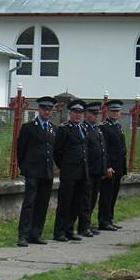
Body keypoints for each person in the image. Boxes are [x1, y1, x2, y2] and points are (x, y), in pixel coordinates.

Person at [15, 96, 57, 247]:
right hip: (32, 171)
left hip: (47, 171)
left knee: (42, 203)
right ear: (39, 109)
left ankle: (36, 233)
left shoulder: (53, 128)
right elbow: (21, 149)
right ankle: (23, 235)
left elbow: (54, 150)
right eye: (44, 109)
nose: (47, 112)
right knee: (30, 203)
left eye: (49, 109)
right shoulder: (29, 127)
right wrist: (25, 167)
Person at [53, 99, 89, 242]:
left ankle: (69, 229)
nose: (78, 115)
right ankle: (59, 231)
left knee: (77, 202)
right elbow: (57, 151)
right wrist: (65, 166)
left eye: (81, 113)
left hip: (82, 171)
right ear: (70, 113)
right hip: (69, 172)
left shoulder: (83, 129)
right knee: (65, 202)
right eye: (75, 112)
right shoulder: (64, 129)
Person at [79, 102, 108, 237]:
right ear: (86, 114)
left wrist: (104, 167)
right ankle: (83, 226)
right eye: (93, 114)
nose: (96, 116)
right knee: (86, 200)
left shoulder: (97, 129)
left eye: (97, 114)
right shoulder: (83, 129)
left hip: (97, 170)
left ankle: (88, 224)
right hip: (88, 170)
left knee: (92, 199)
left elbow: (102, 150)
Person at [98, 100, 127, 231]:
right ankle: (103, 221)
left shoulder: (118, 126)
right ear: (108, 112)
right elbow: (104, 150)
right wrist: (107, 166)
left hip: (118, 167)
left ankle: (109, 219)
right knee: (106, 195)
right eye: (113, 111)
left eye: (117, 111)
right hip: (110, 168)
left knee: (113, 194)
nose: (115, 113)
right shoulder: (103, 127)